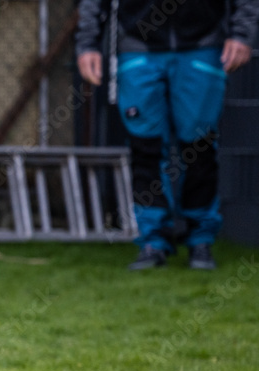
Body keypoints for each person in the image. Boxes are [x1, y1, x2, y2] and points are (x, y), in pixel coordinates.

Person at [76, 0, 259, 270]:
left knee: (200, 145)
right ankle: (152, 241)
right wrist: (88, 44)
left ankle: (200, 240)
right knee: (144, 146)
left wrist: (242, 34)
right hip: (138, 46)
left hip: (202, 45)